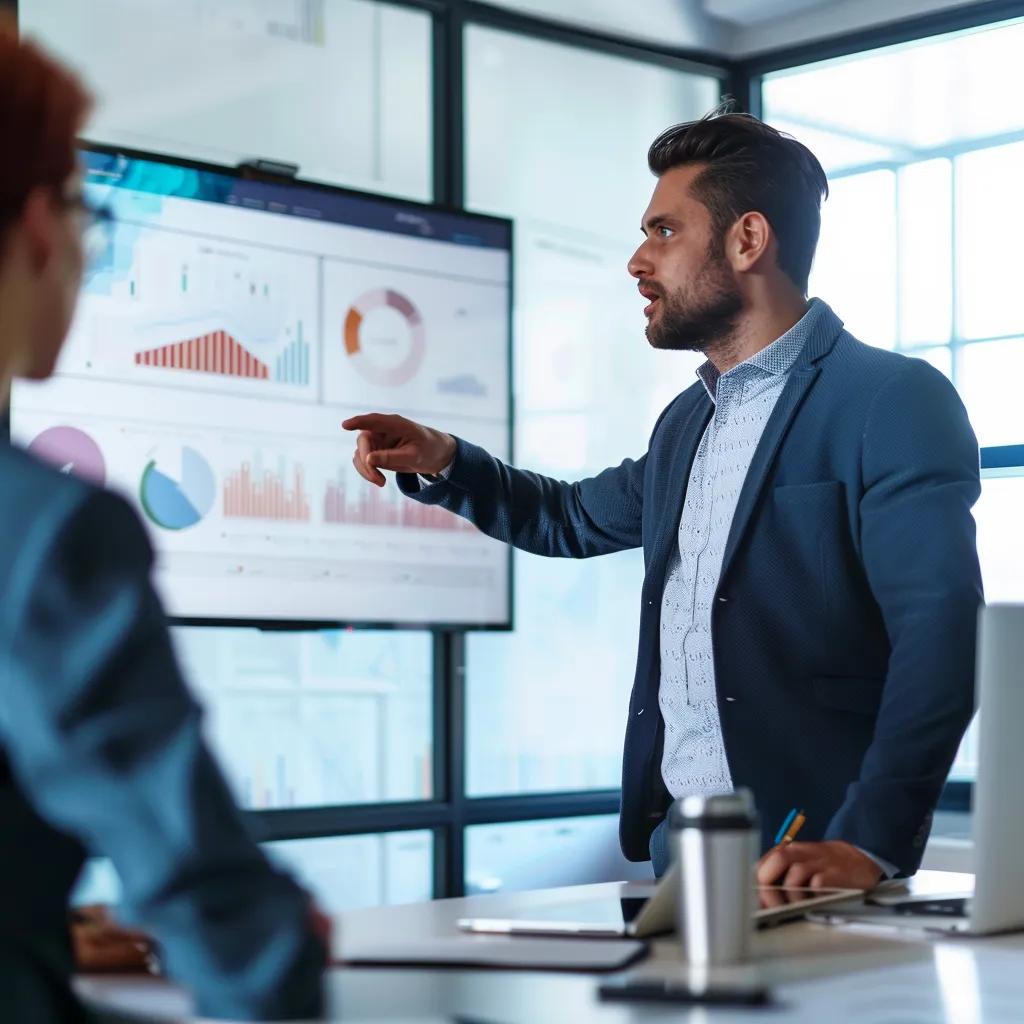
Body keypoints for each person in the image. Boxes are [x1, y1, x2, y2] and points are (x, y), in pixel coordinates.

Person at [344, 106, 982, 890]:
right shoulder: (689, 420)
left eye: (665, 232)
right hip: (684, 849)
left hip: (814, 859)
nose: (638, 261)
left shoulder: (890, 399)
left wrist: (868, 843)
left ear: (748, 239)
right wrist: (446, 459)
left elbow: (941, 635)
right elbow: (572, 517)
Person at [0, 26, 326, 1022]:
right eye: (87, 212)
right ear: (38, 226)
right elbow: (200, 888)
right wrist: (277, 951)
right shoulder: (46, 530)